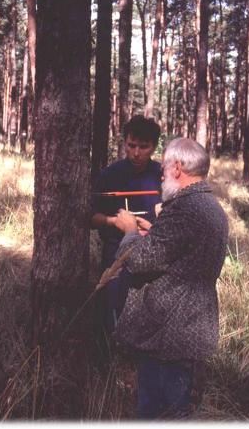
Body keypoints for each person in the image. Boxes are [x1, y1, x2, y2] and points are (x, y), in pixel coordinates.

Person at [98, 137, 229, 419]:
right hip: (186, 330)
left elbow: (139, 261)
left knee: (162, 414)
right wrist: (153, 232)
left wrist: (129, 230)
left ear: (178, 168)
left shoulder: (184, 209)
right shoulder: (210, 205)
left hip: (169, 335)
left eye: (164, 169)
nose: (161, 176)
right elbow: (178, 253)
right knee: (174, 412)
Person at [91, 115, 162, 337]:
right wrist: (115, 222)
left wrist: (154, 225)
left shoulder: (162, 175)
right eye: (131, 145)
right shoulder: (110, 174)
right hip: (115, 253)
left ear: (154, 146)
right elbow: (90, 217)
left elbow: (174, 216)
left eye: (144, 146)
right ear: (124, 143)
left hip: (152, 254)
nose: (136, 153)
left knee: (148, 312)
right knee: (113, 306)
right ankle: (111, 359)